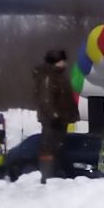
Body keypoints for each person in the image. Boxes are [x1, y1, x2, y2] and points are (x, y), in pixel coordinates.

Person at [32, 49, 77, 180]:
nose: (65, 64)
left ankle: (56, 174)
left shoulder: (58, 76)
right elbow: (46, 99)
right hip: (53, 121)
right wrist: (55, 115)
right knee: (49, 148)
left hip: (60, 119)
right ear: (56, 62)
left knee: (58, 148)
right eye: (62, 61)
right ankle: (48, 175)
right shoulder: (48, 77)